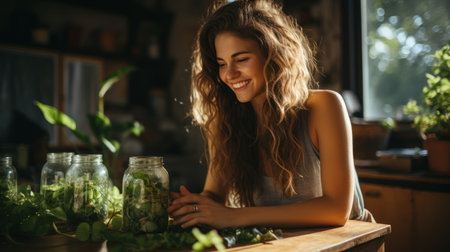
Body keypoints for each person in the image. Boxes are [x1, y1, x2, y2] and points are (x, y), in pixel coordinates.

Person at [168, 0, 374, 229]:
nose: (230, 74)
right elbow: (214, 194)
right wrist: (193, 205)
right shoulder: (227, 121)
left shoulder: (324, 106)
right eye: (221, 63)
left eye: (242, 59)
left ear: (273, 55)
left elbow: (336, 210)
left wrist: (235, 216)